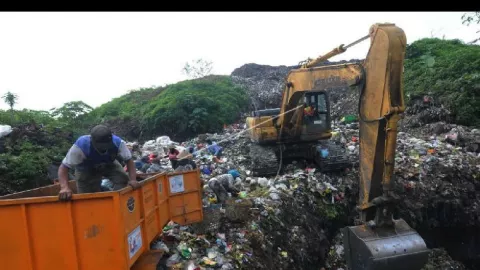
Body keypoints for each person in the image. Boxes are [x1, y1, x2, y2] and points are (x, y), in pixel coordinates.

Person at [57, 125, 140, 201]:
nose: (103, 149)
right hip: (86, 169)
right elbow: (64, 167)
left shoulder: (118, 143)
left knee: (123, 179)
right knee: (86, 198)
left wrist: (133, 180)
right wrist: (64, 188)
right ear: (92, 141)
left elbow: (129, 160)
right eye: (101, 147)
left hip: (109, 164)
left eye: (106, 146)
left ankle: (116, 202)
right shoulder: (81, 146)